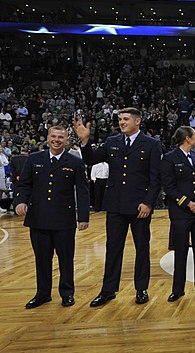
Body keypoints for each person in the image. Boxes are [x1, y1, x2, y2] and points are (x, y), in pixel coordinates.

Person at [74, 108, 161, 307]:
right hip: (115, 205)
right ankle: (108, 290)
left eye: (126, 119)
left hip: (140, 206)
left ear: (137, 121)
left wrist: (148, 202)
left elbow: (156, 178)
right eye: (120, 119)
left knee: (142, 249)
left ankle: (141, 289)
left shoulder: (152, 144)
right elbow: (90, 160)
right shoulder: (112, 142)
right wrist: (85, 142)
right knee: (113, 249)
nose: (122, 122)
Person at [14, 126, 90, 308]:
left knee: (65, 258)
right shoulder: (34, 159)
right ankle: (42, 294)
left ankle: (67, 293)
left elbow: (82, 191)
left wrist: (83, 217)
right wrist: (20, 201)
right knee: (41, 258)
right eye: (53, 137)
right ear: (48, 138)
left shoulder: (74, 161)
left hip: (64, 219)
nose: (56, 140)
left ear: (66, 140)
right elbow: (24, 184)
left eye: (60, 137)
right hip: (38, 218)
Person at [161, 126, 195, 301]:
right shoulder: (169, 158)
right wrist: (189, 203)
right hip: (181, 212)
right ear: (188, 139)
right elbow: (169, 187)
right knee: (180, 252)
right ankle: (178, 289)